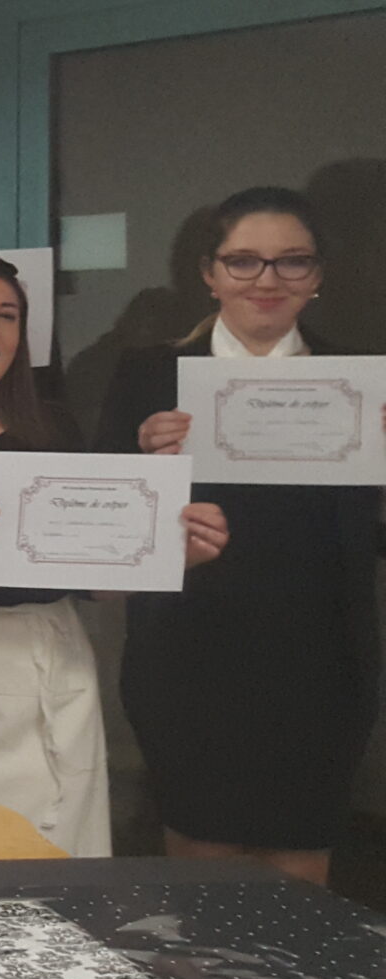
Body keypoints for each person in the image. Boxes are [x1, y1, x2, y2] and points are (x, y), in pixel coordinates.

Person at [0, 248, 222, 857]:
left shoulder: (51, 430)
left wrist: (171, 553)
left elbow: (90, 581)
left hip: (53, 664)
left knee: (59, 868)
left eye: (7, 316)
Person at [102, 186, 376, 885]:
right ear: (210, 272)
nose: (267, 280)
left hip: (320, 663)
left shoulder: (360, 385)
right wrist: (143, 459)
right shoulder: (148, 375)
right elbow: (104, 533)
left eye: (292, 261)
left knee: (299, 879)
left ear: (317, 276)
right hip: (188, 660)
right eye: (244, 261)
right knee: (202, 879)